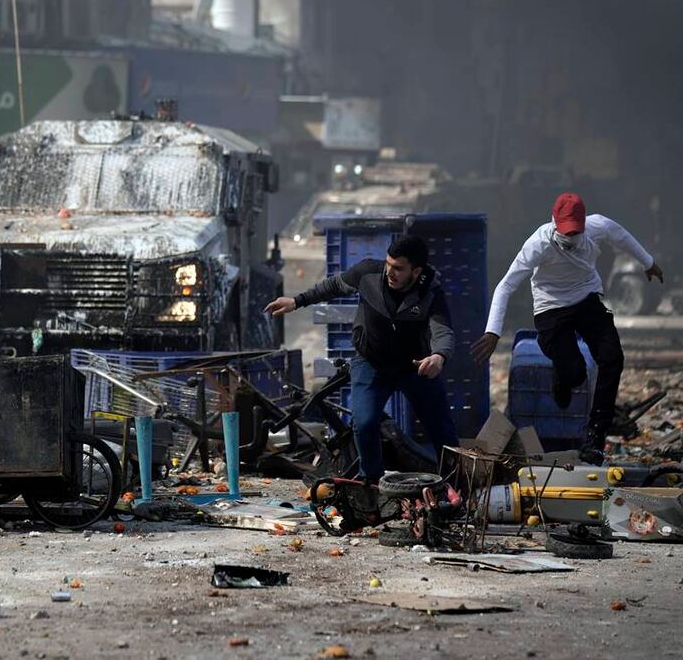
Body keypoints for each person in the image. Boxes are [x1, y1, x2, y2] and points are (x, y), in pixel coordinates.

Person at [471, 192, 664, 465]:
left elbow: (620, 235)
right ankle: (563, 375)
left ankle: (595, 438)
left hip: (586, 298)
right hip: (550, 308)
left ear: (584, 225)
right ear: (554, 223)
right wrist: (493, 331)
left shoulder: (598, 226)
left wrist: (648, 262)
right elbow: (506, 285)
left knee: (613, 359)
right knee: (574, 374)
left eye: (576, 233)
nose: (570, 240)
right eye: (566, 234)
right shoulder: (537, 244)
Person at [264, 235, 458, 482]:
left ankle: (455, 486)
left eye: (398, 268)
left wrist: (439, 356)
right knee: (364, 424)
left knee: (442, 430)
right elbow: (333, 286)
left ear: (415, 270)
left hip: (414, 367)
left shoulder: (430, 290)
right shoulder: (368, 273)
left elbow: (442, 330)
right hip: (371, 362)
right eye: (388, 264)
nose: (390, 272)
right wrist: (296, 301)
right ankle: (371, 484)